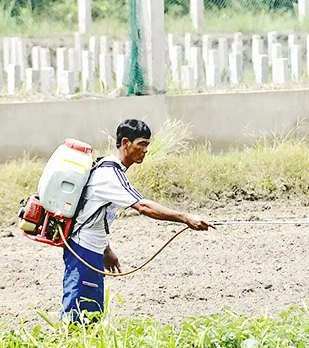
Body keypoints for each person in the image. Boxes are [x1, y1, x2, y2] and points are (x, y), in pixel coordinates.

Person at [62, 119, 215, 322]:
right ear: (125, 143)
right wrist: (186, 218)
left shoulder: (112, 171)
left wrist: (106, 250)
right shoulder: (109, 174)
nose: (145, 150)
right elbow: (143, 206)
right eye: (141, 144)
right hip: (83, 250)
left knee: (91, 312)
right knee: (79, 313)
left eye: (147, 145)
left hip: (93, 248)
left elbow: (96, 215)